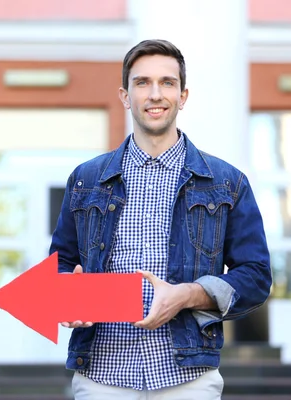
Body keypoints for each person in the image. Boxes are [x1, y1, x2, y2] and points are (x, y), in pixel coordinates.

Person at [48, 39, 272, 399]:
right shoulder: (85, 179)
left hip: (187, 378)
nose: (155, 94)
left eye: (167, 83)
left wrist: (188, 295)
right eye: (142, 83)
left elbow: (256, 277)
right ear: (125, 96)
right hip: (102, 376)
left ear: (183, 96)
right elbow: (60, 266)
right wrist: (68, 298)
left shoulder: (227, 182)